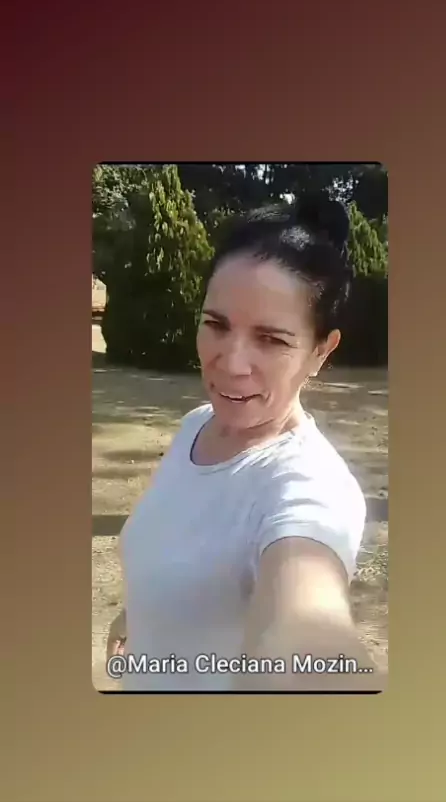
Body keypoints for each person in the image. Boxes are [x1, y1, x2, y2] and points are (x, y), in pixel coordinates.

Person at [106, 193, 385, 692]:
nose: (231, 364)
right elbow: (181, 549)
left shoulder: (312, 486)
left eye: (271, 339)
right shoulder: (196, 426)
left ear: (321, 352)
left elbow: (304, 627)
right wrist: (141, 613)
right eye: (216, 325)